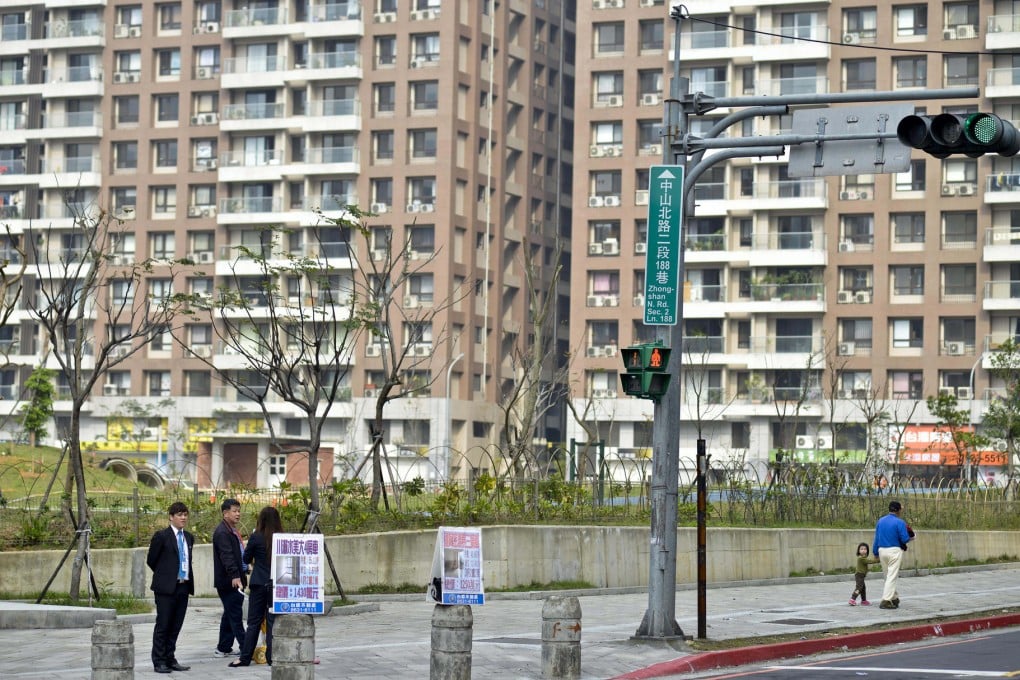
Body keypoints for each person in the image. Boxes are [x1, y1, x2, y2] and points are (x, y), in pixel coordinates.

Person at [230, 505, 283, 668]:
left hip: (259, 582)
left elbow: (245, 559)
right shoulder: (282, 537)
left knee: (253, 622)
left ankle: (245, 658)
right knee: (272, 620)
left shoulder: (256, 536)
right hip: (277, 583)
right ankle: (272, 657)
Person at [146, 501, 194, 674]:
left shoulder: (188, 537)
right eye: (179, 515)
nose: (183, 518)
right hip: (166, 589)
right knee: (163, 625)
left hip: (183, 587)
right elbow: (152, 560)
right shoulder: (161, 536)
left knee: (176, 625)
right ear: (171, 517)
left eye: (185, 514)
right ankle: (158, 660)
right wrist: (166, 575)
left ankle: (170, 658)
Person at [213, 498, 248, 657]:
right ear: (225, 513)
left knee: (229, 614)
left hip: (236, 579)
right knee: (235, 616)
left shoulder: (231, 529)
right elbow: (227, 556)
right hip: (229, 581)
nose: (238, 514)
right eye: (234, 511)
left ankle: (223, 648)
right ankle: (246, 647)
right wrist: (235, 575)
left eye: (238, 511)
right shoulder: (222, 532)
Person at [872, 500, 914, 609]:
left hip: (882, 550)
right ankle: (886, 600)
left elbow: (876, 538)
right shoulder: (900, 522)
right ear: (898, 510)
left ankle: (894, 598)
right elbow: (904, 538)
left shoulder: (880, 521)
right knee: (892, 576)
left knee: (887, 576)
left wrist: (875, 552)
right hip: (894, 550)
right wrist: (911, 537)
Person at [848, 542, 879, 606]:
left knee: (863, 588)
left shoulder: (863, 557)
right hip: (859, 575)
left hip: (861, 575)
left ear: (867, 550)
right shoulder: (861, 558)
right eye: (861, 549)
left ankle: (863, 600)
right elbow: (870, 561)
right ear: (858, 551)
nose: (863, 550)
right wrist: (878, 560)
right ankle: (852, 599)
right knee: (859, 588)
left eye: (865, 549)